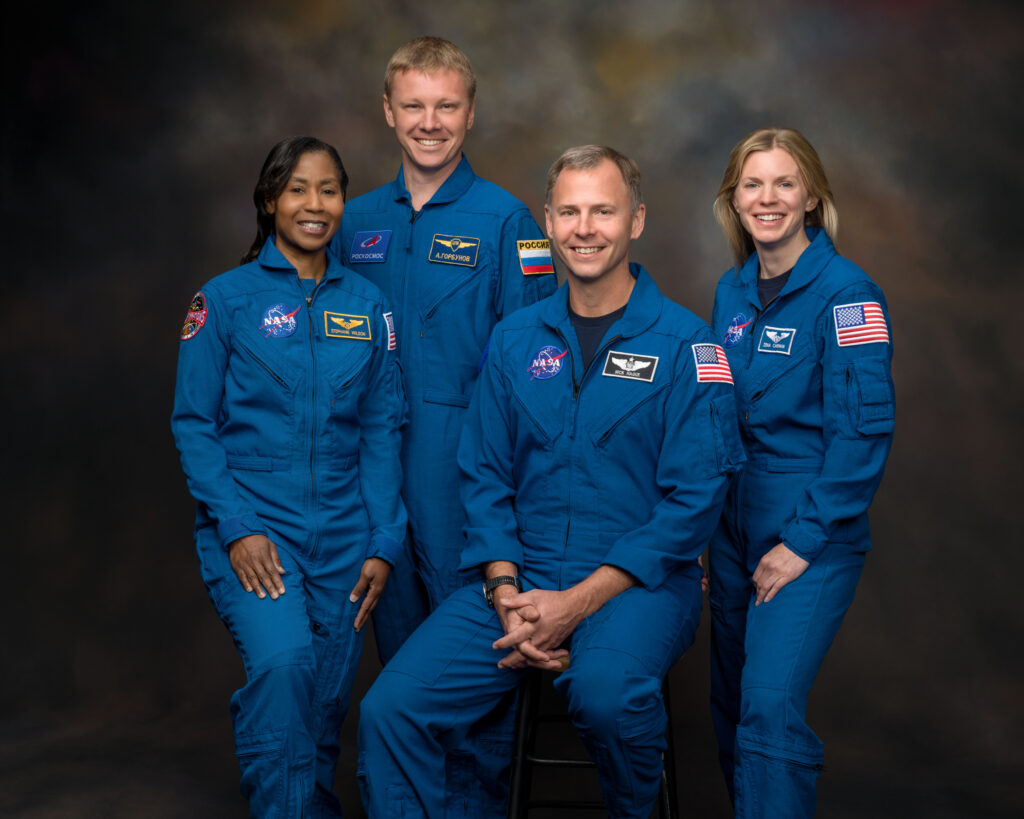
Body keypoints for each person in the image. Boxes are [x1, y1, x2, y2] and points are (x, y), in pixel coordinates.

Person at [357, 145, 744, 819]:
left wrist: (579, 601)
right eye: (569, 211)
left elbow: (694, 502)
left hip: (640, 584)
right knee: (391, 709)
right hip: (522, 577)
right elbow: (483, 474)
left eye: (603, 210)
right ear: (548, 219)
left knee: (604, 690)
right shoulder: (513, 340)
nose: (585, 227)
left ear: (637, 220)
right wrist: (505, 589)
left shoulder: (688, 345)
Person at [171, 136, 406, 817]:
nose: (314, 203)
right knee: (284, 669)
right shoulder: (224, 301)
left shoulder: (369, 307)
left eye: (329, 189)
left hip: (345, 534)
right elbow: (193, 424)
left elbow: (382, 429)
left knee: (326, 701)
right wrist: (237, 527)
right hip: (253, 524)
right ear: (271, 200)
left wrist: (384, 540)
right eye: (298, 189)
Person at [331, 36, 558, 665]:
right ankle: (408, 769)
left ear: (471, 113)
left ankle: (475, 771)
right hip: (368, 470)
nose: (430, 124)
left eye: (447, 107)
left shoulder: (510, 224)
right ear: (388, 111)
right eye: (413, 107)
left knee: (471, 654)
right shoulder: (353, 223)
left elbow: (537, 368)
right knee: (394, 647)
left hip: (463, 470)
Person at [707, 127, 895, 817]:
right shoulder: (731, 291)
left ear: (812, 197)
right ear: (734, 199)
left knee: (767, 705)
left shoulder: (848, 295)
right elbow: (716, 416)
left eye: (784, 183)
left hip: (808, 532)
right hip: (730, 532)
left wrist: (801, 541)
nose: (768, 198)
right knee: (729, 709)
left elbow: (863, 432)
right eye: (752, 184)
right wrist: (702, 531)